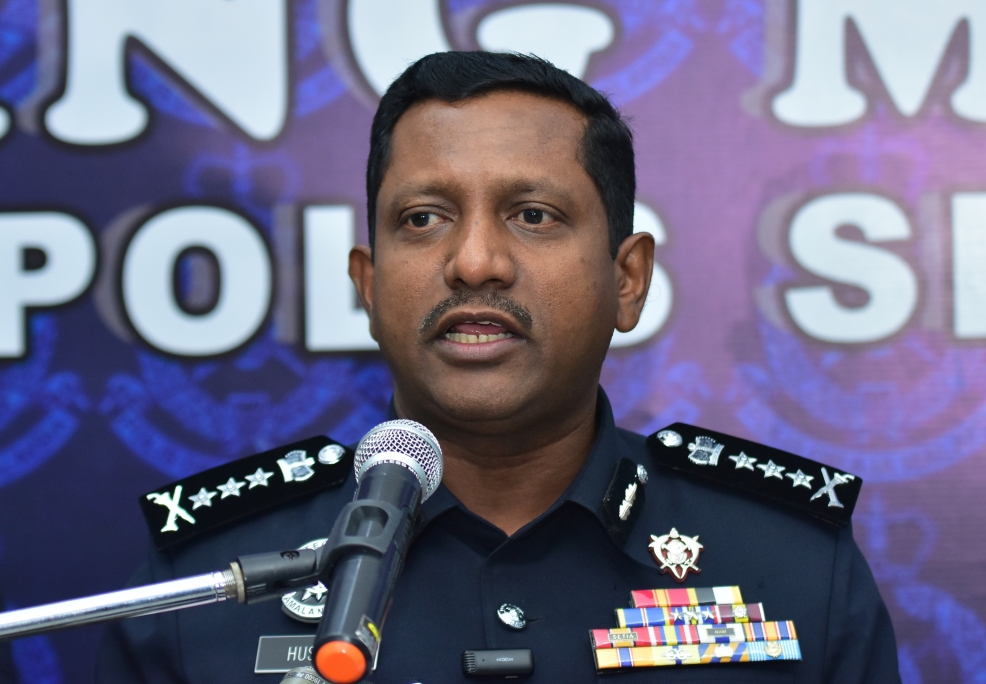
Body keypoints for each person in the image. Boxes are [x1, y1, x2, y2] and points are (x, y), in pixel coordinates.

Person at [96, 52, 900, 683]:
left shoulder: (792, 568)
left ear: (628, 279)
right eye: (423, 218)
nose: (475, 261)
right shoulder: (203, 583)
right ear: (368, 287)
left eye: (533, 215)